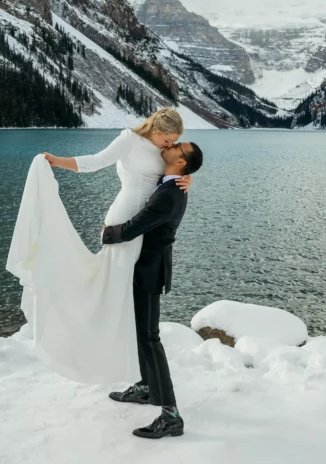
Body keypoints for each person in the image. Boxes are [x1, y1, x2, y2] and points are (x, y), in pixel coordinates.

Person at [4, 109, 195, 408]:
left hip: (139, 228)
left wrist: (187, 180)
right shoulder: (129, 141)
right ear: (157, 129)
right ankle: (136, 378)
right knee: (117, 299)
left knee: (130, 307)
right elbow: (96, 161)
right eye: (168, 140)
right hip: (125, 226)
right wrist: (56, 161)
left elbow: (173, 174)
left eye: (174, 143)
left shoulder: (165, 153)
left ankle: (145, 384)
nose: (168, 146)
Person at [102, 139, 203, 439]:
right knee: (141, 334)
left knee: (149, 337)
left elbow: (135, 226)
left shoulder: (170, 195)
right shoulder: (173, 184)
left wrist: (109, 233)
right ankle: (146, 388)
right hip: (145, 268)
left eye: (178, 146)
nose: (171, 144)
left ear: (181, 161)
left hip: (148, 272)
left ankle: (171, 415)